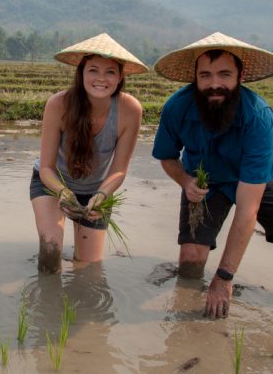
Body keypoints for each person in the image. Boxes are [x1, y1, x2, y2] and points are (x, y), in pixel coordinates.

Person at [152, 32, 273, 319]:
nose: (214, 84)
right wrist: (185, 181)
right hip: (206, 184)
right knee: (191, 262)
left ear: (240, 76)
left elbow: (248, 207)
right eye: (205, 75)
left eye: (224, 74)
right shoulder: (176, 108)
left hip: (259, 182)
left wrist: (224, 277)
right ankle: (187, 313)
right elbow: (168, 157)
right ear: (194, 77)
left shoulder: (258, 117)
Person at [30, 33, 148, 273]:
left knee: (88, 268)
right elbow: (46, 168)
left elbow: (119, 170)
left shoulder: (129, 110)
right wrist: (63, 192)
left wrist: (102, 195)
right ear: (81, 73)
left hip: (97, 192)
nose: (101, 79)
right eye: (93, 70)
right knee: (51, 252)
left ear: (120, 76)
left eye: (110, 72)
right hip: (52, 185)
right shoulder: (58, 104)